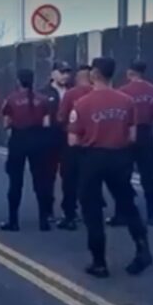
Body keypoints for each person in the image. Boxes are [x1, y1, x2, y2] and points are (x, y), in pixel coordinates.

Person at [68, 57, 153, 278]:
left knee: (92, 210)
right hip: (120, 157)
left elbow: (72, 140)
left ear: (94, 74)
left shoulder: (82, 103)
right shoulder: (127, 101)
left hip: (93, 158)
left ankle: (99, 262)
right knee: (127, 205)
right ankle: (142, 248)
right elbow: (132, 136)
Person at [113, 61, 153, 226]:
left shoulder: (122, 92)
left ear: (130, 73)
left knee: (123, 177)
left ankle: (121, 215)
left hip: (127, 136)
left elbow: (118, 117)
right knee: (148, 177)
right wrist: (148, 121)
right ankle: (152, 216)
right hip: (146, 135)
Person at [1, 69, 52, 232]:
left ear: (18, 81)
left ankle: (13, 221)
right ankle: (44, 220)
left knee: (15, 181)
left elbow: (6, 124)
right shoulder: (43, 100)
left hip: (18, 140)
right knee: (41, 181)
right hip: (38, 140)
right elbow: (47, 123)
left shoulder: (11, 99)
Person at [54, 65, 93, 230]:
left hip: (72, 143)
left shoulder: (71, 94)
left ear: (78, 77)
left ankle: (70, 215)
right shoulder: (96, 93)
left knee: (69, 180)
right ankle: (90, 213)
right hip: (93, 144)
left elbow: (61, 117)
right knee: (91, 180)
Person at [40, 62, 73, 222]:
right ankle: (47, 210)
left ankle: (69, 210)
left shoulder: (72, 92)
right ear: (53, 73)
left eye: (67, 72)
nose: (65, 76)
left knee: (69, 176)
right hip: (49, 139)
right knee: (48, 176)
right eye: (62, 72)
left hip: (68, 139)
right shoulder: (43, 93)